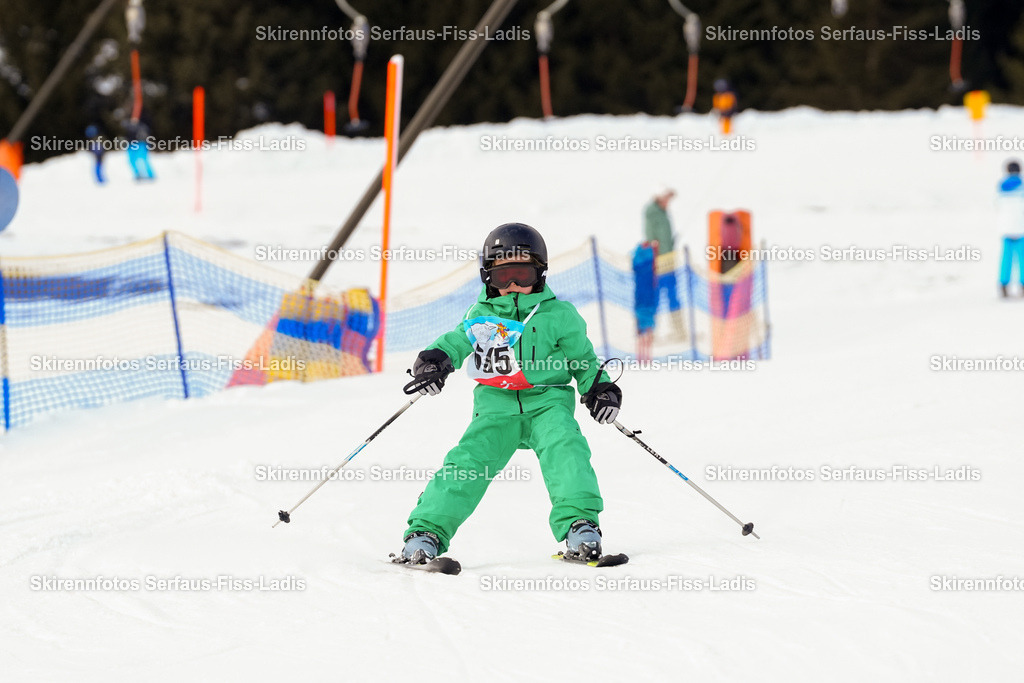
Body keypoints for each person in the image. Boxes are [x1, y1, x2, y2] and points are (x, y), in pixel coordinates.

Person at [399, 223, 622, 564]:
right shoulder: (482, 316)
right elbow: (457, 342)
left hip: (547, 402)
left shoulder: (559, 316)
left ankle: (581, 526)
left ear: (540, 273)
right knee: (467, 463)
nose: (513, 285)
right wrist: (435, 361)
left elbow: (583, 360)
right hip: (496, 407)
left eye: (522, 274)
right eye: (502, 277)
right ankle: (426, 532)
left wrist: (599, 388)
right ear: (487, 277)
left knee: (566, 449)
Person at [643, 188, 688, 340]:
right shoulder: (652, 212)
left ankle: (679, 331)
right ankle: (649, 333)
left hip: (668, 263)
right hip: (657, 264)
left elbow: (663, 238)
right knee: (655, 299)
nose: (669, 202)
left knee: (673, 297)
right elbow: (652, 238)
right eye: (667, 198)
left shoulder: (662, 213)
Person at [996, 160, 1024, 297]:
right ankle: (1022, 285)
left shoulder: (1001, 186)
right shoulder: (1022, 186)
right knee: (1022, 258)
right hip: (1020, 227)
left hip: (1006, 227)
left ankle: (1003, 284)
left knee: (1006, 258)